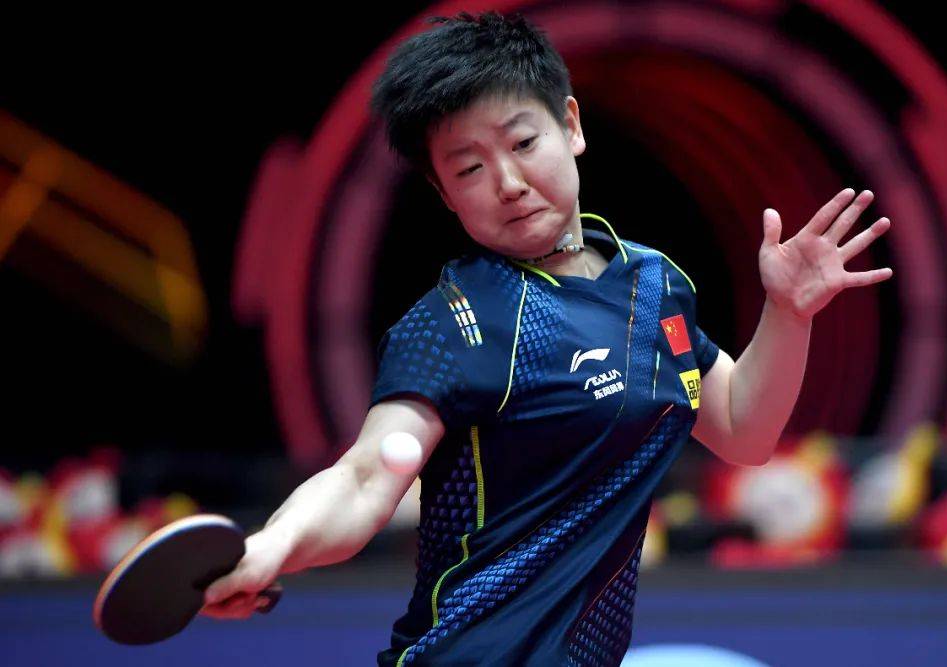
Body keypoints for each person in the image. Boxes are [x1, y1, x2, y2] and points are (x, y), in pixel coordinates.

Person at [199, 11, 892, 666]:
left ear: (570, 125)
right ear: (444, 193)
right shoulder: (455, 322)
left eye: (524, 143)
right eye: (468, 168)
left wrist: (789, 313)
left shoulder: (653, 286)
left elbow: (744, 428)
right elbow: (362, 479)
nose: (508, 182)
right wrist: (270, 547)